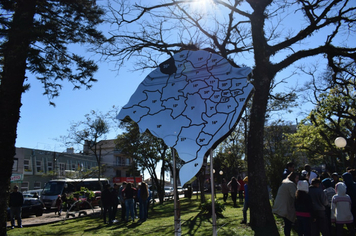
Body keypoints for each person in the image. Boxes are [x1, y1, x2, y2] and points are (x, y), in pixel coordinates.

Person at [272, 172, 299, 236]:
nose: (297, 180)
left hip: (282, 205)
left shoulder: (285, 183)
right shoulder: (291, 184)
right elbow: (294, 196)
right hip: (286, 207)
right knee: (288, 223)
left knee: (287, 223)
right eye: (297, 178)